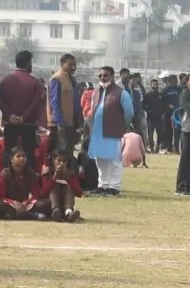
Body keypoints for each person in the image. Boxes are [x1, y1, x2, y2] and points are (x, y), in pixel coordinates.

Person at [86, 65, 133, 193]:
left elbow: (129, 113)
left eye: (105, 75)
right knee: (100, 159)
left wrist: (121, 125)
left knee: (114, 159)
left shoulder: (121, 93)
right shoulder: (96, 92)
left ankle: (114, 186)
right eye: (100, 75)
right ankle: (103, 185)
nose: (102, 78)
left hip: (113, 131)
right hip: (97, 132)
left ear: (112, 76)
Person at [45, 53, 87, 167]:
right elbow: (54, 102)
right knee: (61, 155)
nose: (73, 67)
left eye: (74, 65)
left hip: (71, 123)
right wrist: (59, 124)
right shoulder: (57, 79)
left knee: (68, 154)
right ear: (62, 64)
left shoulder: (71, 80)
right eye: (70, 65)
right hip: (61, 125)